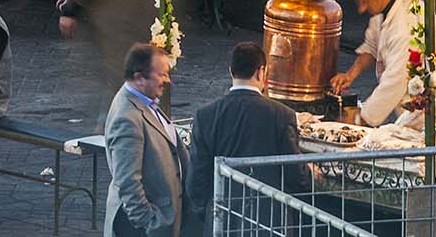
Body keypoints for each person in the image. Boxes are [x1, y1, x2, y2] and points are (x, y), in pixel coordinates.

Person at [184, 42, 308, 236]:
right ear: (261, 72)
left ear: (231, 71)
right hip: (269, 223)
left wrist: (207, 212)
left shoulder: (205, 116)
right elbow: (295, 175)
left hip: (222, 220)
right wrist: (309, 171)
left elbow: (196, 179)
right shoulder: (282, 115)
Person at [331, 0, 436, 125]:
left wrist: (361, 118)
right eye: (359, 1)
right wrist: (350, 75)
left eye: (366, 2)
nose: (361, 9)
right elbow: (371, 47)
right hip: (411, 107)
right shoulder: (383, 10)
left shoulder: (404, 26)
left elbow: (396, 80)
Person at [105, 44, 187, 237]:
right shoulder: (127, 118)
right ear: (139, 78)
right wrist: (150, 222)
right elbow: (127, 181)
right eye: (161, 74)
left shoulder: (144, 101)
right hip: (141, 229)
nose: (167, 80)